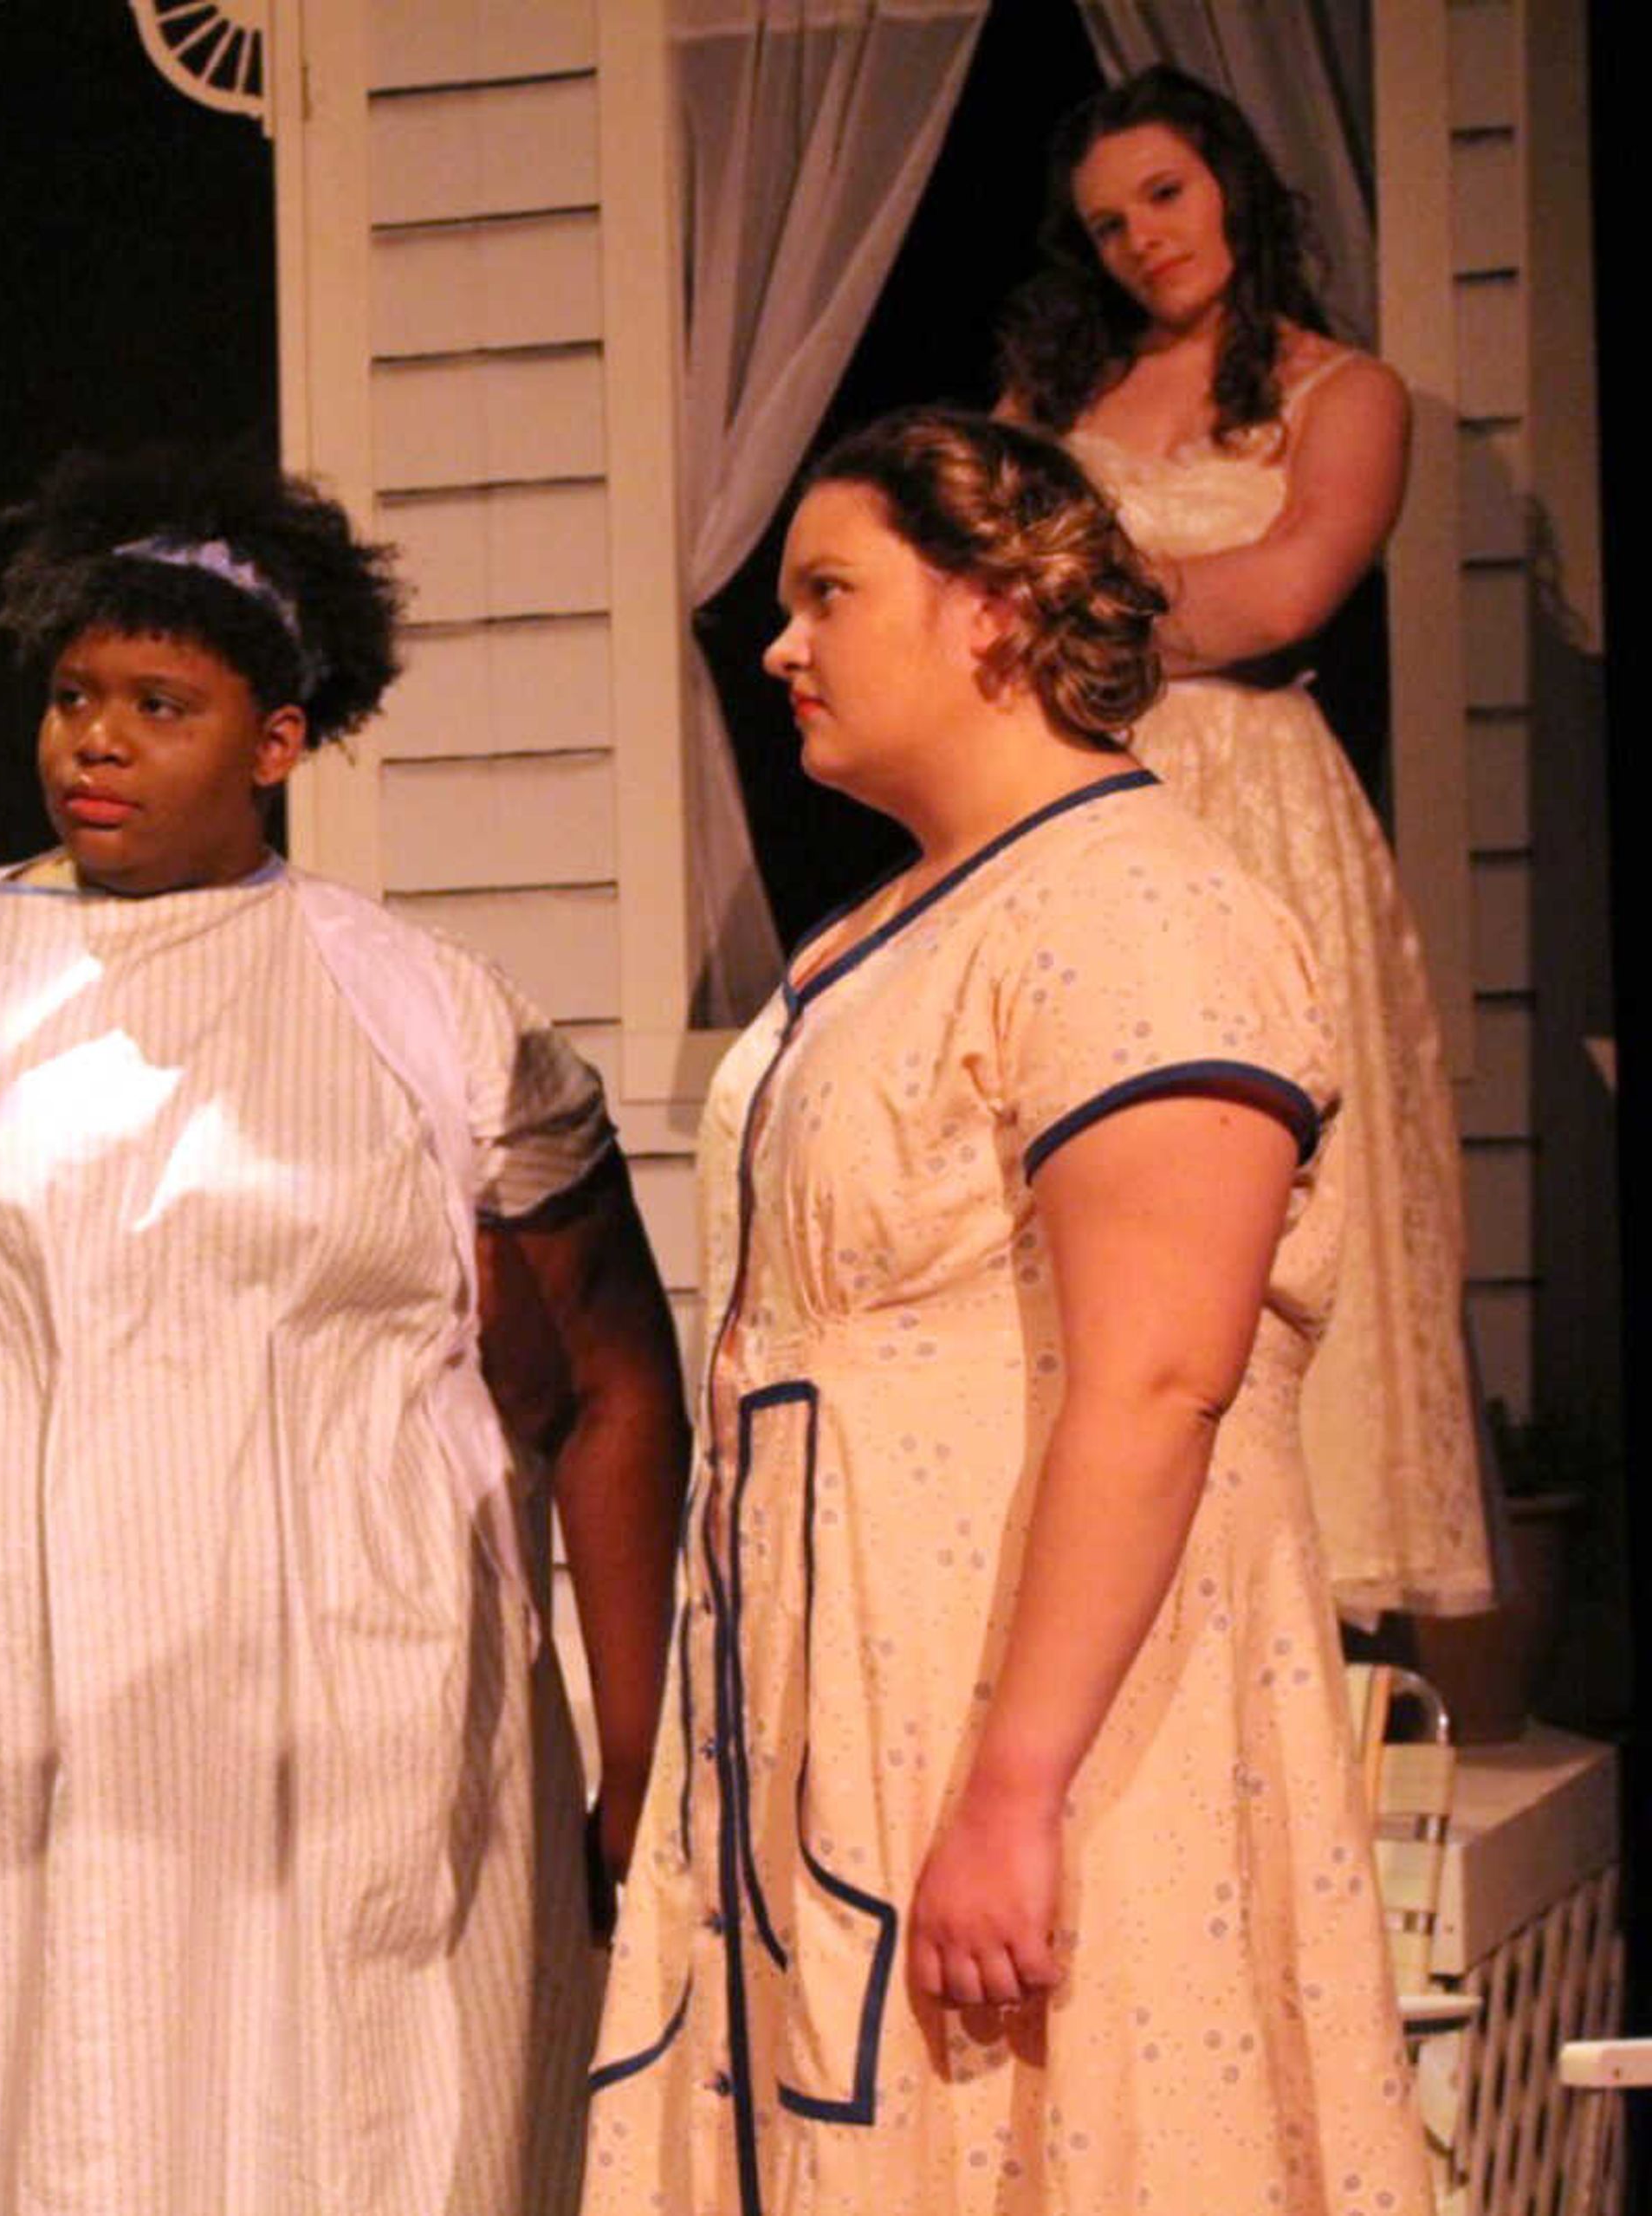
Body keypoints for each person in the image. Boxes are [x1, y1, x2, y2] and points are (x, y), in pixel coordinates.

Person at [0, 450, 692, 2215]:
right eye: (75, 695)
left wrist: (643, 1752)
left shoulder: (429, 1014)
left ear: (278, 741)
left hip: (329, 1733)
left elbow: (610, 1382)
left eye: (163, 702)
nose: (94, 739)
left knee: (329, 2135)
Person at [586, 410, 1435, 2214]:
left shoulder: (1139, 911)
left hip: (1030, 1723)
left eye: (830, 592)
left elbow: (1158, 1377)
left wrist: (1015, 1789)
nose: (782, 645)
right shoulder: (891, 927)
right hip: (844, 1702)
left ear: (993, 611)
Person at [997, 63, 1491, 1622]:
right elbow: (976, 561)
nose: (1145, 238)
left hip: (1258, 800)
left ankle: (1302, 1580)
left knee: (1273, 1155)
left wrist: (1081, 620)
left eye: (1166, 193)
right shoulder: (1053, 401)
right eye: (1109, 221)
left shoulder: (1344, 392)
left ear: (1229, 186)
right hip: (1067, 796)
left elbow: (1287, 595)